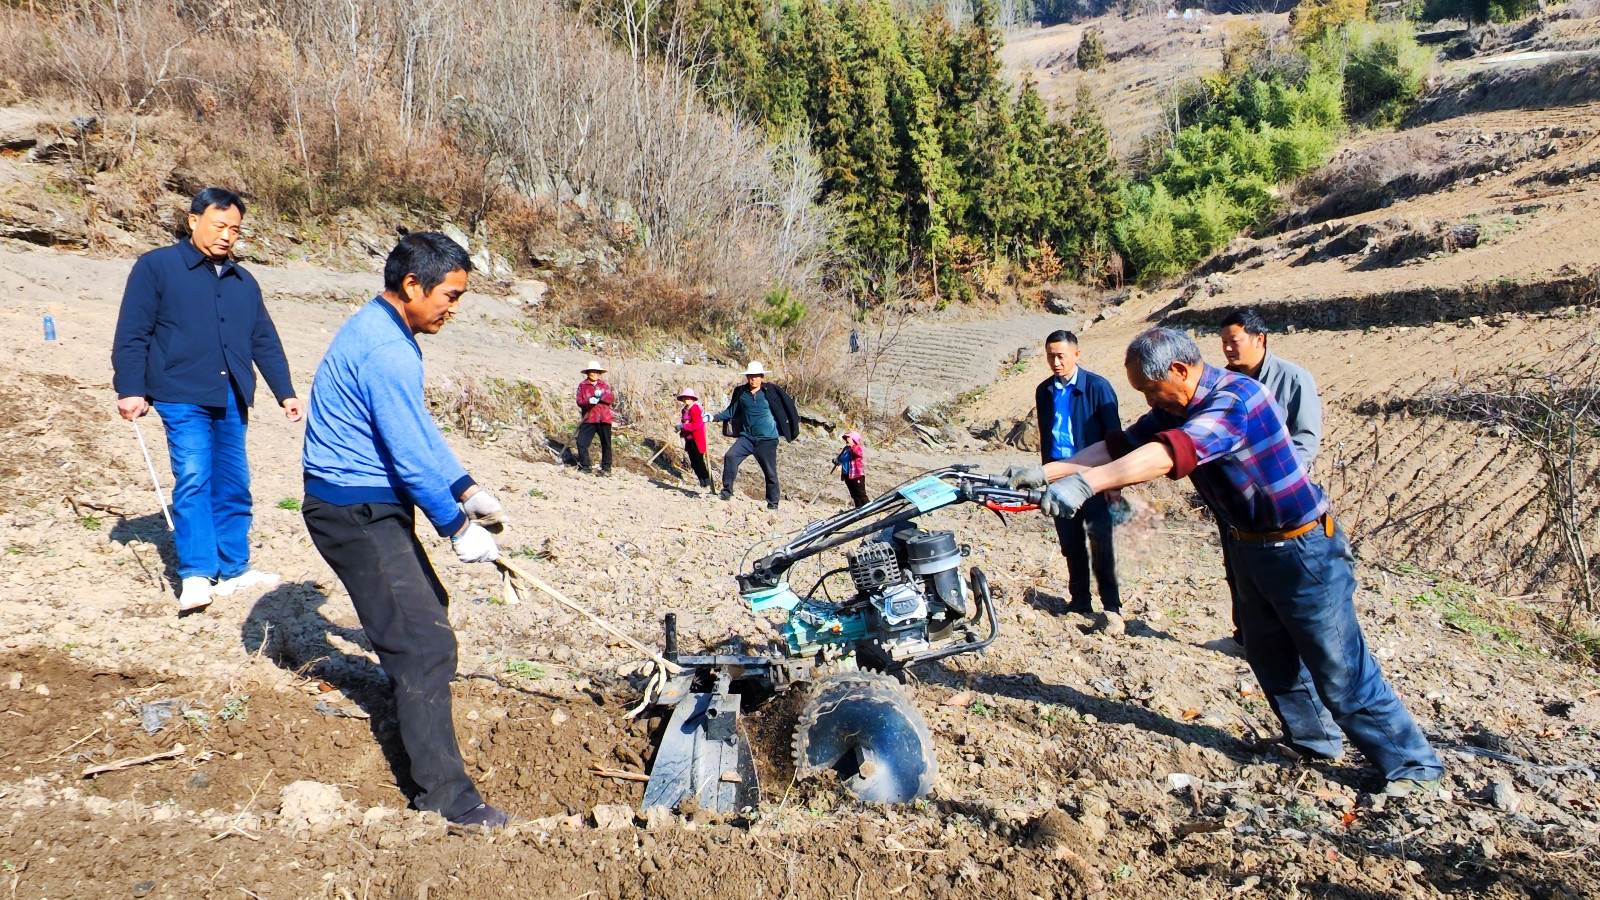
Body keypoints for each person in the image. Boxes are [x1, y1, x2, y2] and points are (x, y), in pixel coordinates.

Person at [1005, 328, 1444, 795]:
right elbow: (1121, 447)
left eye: (1152, 389)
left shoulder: (1236, 400)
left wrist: (1088, 485)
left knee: (1337, 663)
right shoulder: (1176, 405)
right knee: (1268, 652)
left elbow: (1170, 454)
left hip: (1302, 547)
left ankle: (1412, 766)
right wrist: (1050, 471)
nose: (1151, 401)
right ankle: (1315, 741)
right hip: (1249, 544)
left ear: (1179, 370)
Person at [299, 232, 514, 829]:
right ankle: (447, 799)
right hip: (353, 510)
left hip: (368, 502)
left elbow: (417, 435)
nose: (454, 307)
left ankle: (412, 710)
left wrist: (467, 488)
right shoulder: (388, 352)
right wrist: (455, 526)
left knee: (425, 612)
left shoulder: (387, 330)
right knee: (424, 644)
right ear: (412, 285)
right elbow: (408, 455)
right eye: (449, 294)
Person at [111, 187, 303, 614]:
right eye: (220, 226)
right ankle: (197, 574)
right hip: (180, 393)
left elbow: (263, 339)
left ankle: (235, 568)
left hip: (232, 394)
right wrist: (130, 388)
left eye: (234, 229)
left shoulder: (243, 281)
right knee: (194, 477)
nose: (227, 236)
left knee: (235, 484)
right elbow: (133, 333)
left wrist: (285, 392)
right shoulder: (156, 267)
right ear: (194, 221)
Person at [1216, 308, 1325, 650]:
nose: (1228, 350)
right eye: (1223, 343)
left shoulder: (1293, 379)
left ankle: (1289, 645)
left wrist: (1276, 484)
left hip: (1278, 500)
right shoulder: (1224, 383)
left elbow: (1305, 440)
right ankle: (1246, 639)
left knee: (1281, 571)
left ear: (1258, 339)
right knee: (1239, 569)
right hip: (1235, 496)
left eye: (1234, 342)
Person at [1033, 330, 1123, 627]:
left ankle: (1112, 607)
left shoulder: (1098, 388)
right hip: (1059, 479)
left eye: (1060, 356)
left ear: (1076, 354)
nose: (1056, 362)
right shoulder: (1045, 391)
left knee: (1101, 543)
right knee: (1071, 543)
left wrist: (1114, 482)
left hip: (1094, 480)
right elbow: (1048, 438)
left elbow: (1114, 438)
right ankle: (1079, 600)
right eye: (1051, 356)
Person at [712, 361, 798, 510]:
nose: (753, 379)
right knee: (730, 457)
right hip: (747, 437)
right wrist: (712, 417)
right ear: (747, 377)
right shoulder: (742, 393)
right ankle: (726, 492)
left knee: (770, 472)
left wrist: (791, 427)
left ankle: (773, 504)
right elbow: (731, 412)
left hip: (767, 439)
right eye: (751, 376)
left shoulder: (770, 391)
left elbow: (787, 407)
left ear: (761, 377)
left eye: (756, 376)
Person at [574, 361, 614, 475]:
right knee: (581, 442)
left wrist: (601, 396)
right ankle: (586, 467)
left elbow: (610, 399)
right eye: (593, 372)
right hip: (590, 418)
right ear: (588, 373)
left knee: (606, 443)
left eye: (597, 372)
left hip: (604, 418)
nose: (595, 374)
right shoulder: (582, 386)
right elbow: (580, 402)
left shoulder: (604, 386)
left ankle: (606, 468)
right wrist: (589, 401)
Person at [677, 388, 712, 491]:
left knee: (699, 460)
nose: (685, 400)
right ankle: (701, 481)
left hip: (697, 438)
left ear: (692, 399)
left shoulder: (696, 408)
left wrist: (684, 427)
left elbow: (697, 424)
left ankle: (706, 480)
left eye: (687, 398)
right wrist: (681, 429)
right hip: (689, 439)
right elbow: (684, 422)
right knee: (693, 461)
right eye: (684, 398)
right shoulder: (684, 410)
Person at [838, 431, 868, 508]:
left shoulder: (856, 447)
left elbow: (859, 454)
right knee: (854, 494)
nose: (847, 439)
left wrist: (852, 445)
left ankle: (867, 508)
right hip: (847, 474)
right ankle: (858, 508)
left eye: (849, 438)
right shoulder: (846, 449)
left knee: (860, 493)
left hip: (856, 474)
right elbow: (840, 458)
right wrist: (837, 461)